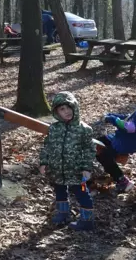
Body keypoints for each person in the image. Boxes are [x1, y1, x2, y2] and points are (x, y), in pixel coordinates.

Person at [39, 92, 97, 230]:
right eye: (62, 109)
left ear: (74, 107)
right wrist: (43, 162)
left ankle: (87, 220)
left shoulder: (84, 129)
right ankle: (63, 213)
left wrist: (86, 167)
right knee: (60, 191)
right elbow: (47, 146)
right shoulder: (54, 129)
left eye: (68, 107)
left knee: (82, 192)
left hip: (78, 172)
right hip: (58, 170)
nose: (67, 111)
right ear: (56, 112)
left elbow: (89, 149)